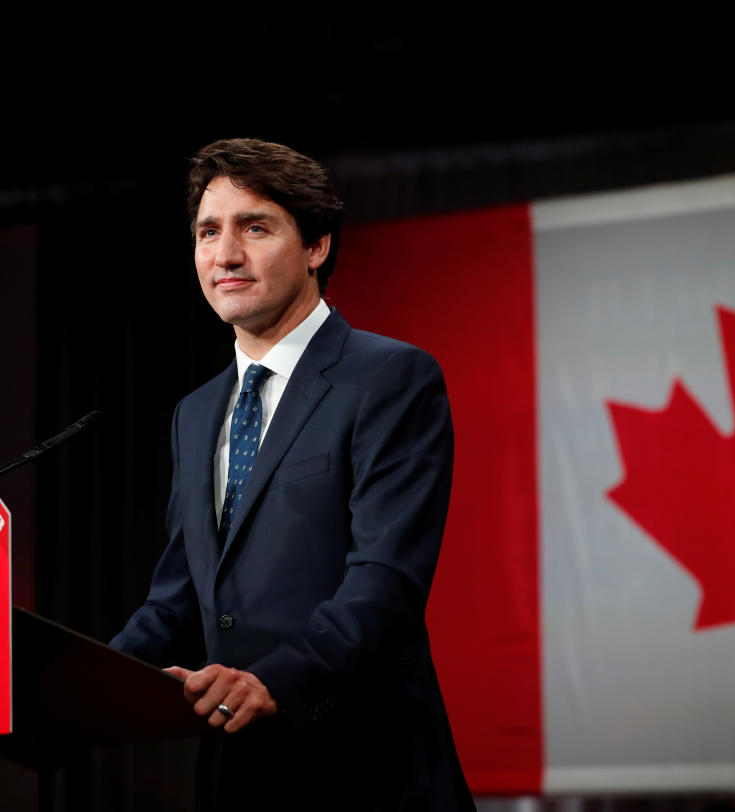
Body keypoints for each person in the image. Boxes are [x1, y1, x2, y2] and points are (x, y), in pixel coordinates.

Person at [111, 138, 474, 810]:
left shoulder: (391, 378)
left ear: (317, 247)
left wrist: (272, 680)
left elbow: (384, 584)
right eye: (208, 232)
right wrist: (84, 683)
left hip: (366, 768)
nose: (226, 255)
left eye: (256, 227)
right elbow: (179, 599)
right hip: (239, 776)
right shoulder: (194, 416)